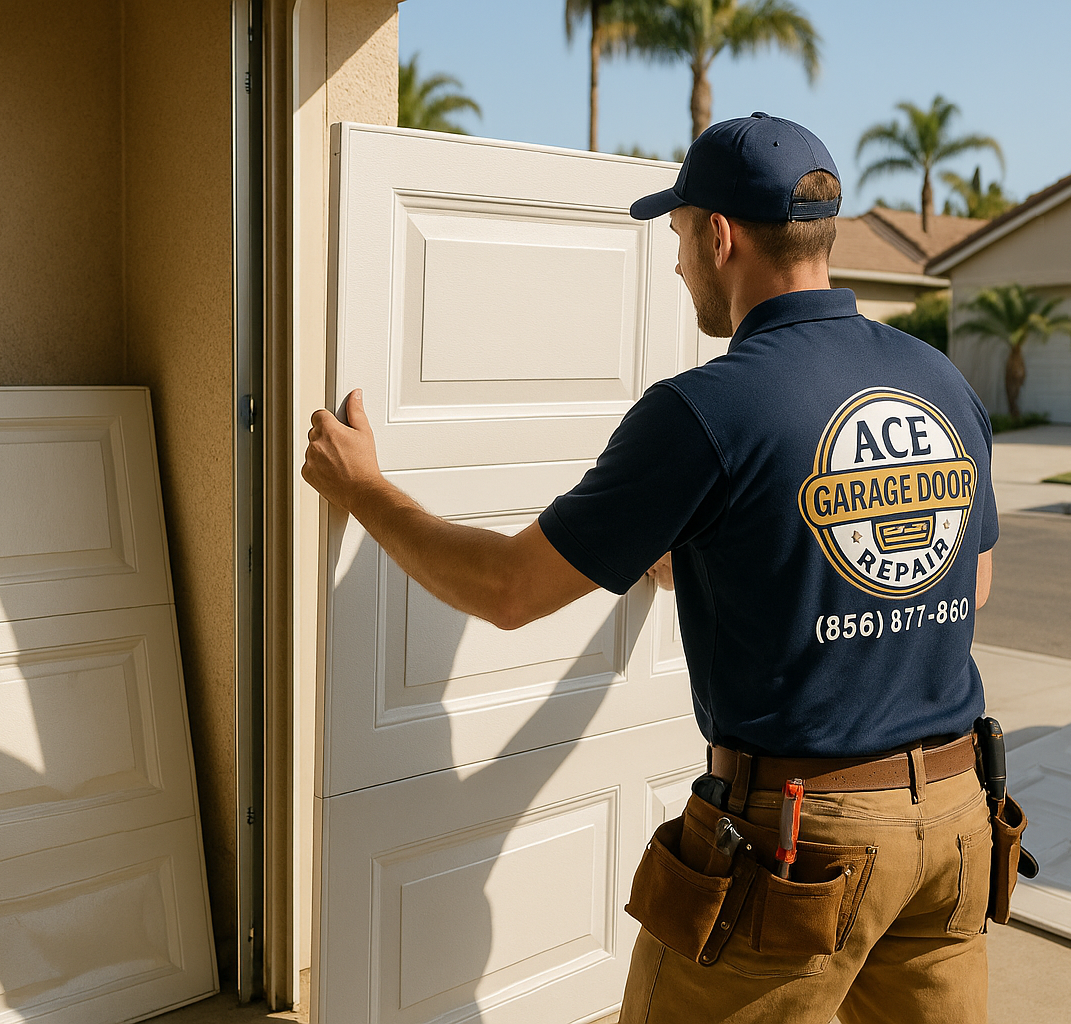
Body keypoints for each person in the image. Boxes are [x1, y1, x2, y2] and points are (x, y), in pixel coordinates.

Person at [302, 112, 999, 1024]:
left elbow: (508, 591)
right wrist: (716, 559)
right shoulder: (939, 380)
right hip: (955, 819)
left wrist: (365, 491)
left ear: (720, 236)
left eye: (676, 235)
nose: (675, 265)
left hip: (800, 840)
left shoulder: (708, 409)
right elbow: (965, 582)